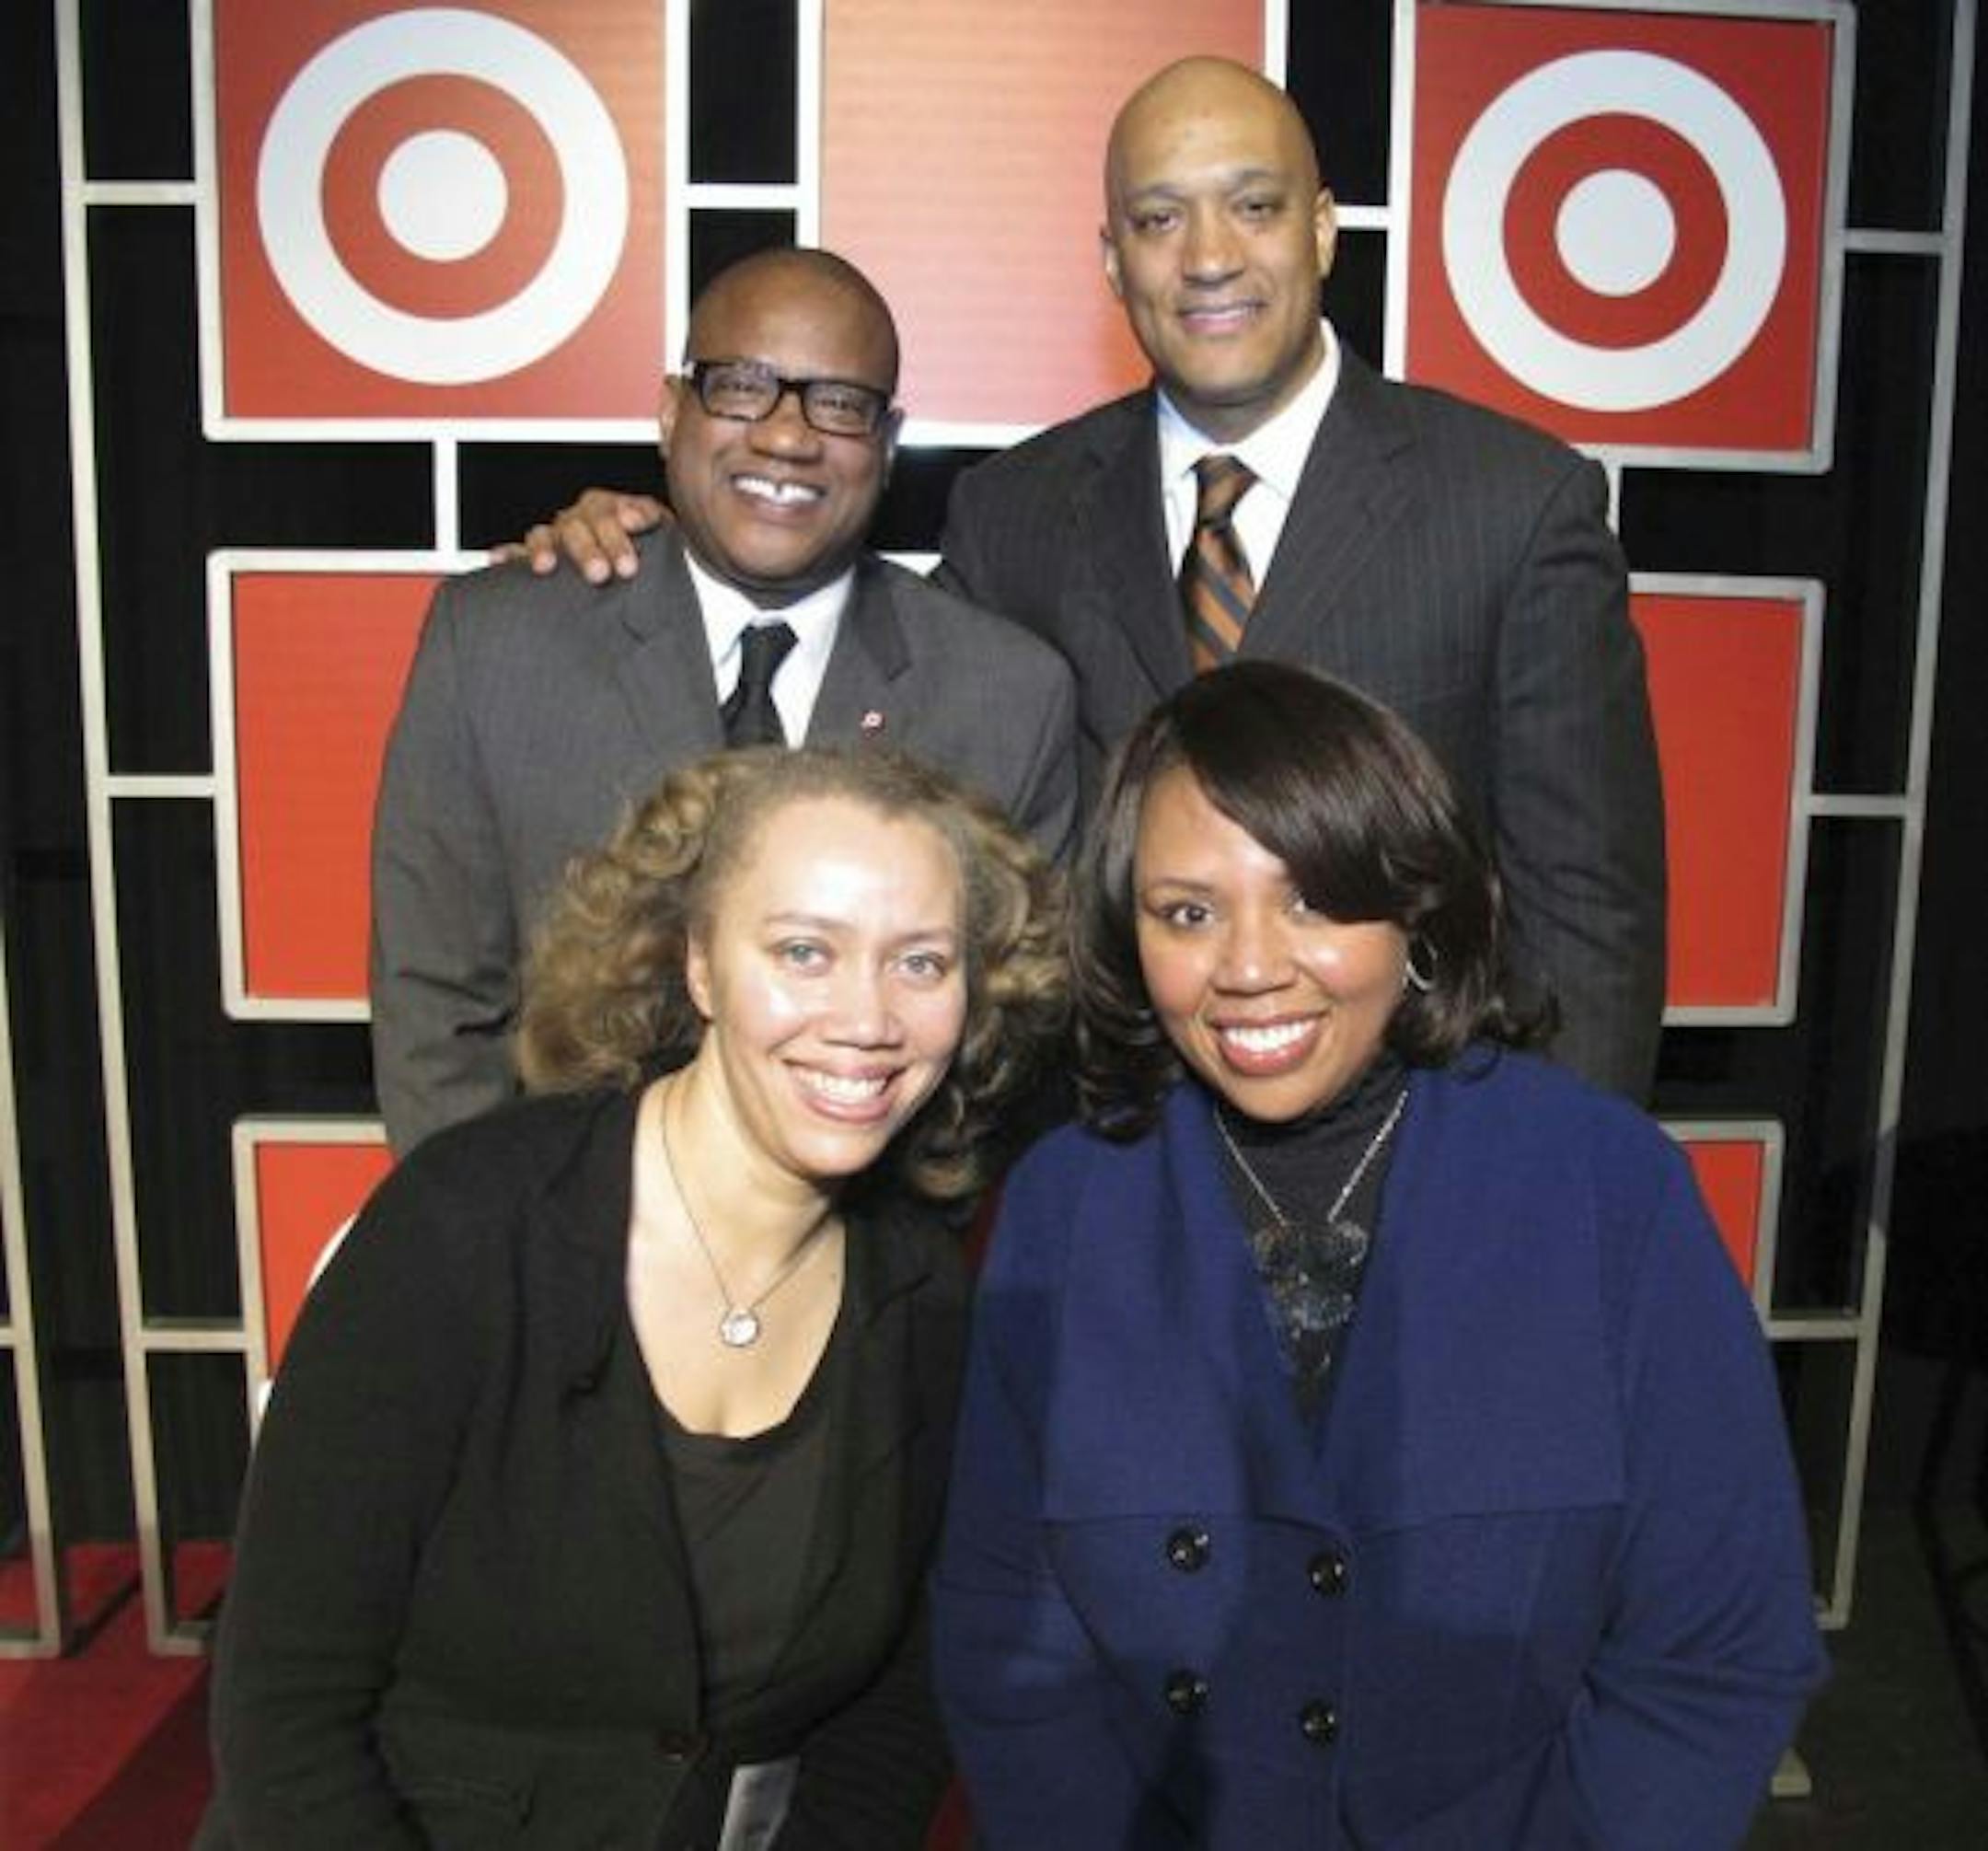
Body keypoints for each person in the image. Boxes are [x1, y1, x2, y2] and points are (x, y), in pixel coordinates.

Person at [511, 57, 1666, 1105]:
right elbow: (914, 792)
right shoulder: (1015, 511)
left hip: (1422, 1154)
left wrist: (1561, 1201)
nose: (1208, 255)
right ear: (1114, 260)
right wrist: (658, 543)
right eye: (1160, 219)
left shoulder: (1514, 504)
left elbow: (1589, 917)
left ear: (1320, 229)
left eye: (1254, 207)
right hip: (1107, 1166)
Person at [929, 663, 1822, 1849]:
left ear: (1416, 912)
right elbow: (1007, 1631)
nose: (1248, 966)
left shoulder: (1607, 1186)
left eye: (1312, 901)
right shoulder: (1063, 1203)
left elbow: (1718, 1652)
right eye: (1187, 912)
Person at [202, 746, 1068, 1849]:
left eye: (921, 963)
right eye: (805, 950)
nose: (868, 1018)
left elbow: (894, 1714)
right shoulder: (466, 1228)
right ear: (700, 963)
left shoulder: (921, 1297)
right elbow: (284, 1711)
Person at [372, 246, 1078, 1153]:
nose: (787, 436)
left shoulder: (1005, 696)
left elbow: (1002, 1061)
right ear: (670, 414)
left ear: (888, 445)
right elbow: (436, 1005)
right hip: (559, 1246)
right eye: (741, 386)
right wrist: (493, 1259)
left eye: (839, 402)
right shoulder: (498, 645)